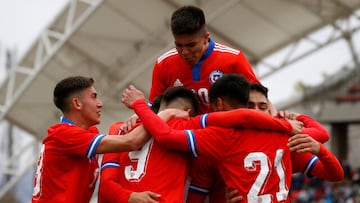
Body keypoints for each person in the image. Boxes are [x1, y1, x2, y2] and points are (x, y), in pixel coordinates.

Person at [121, 74, 297, 203]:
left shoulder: (217, 135)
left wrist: (142, 108)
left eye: (263, 106)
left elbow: (163, 137)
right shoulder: (283, 134)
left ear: (218, 103)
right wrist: (290, 123)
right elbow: (322, 140)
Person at [31, 76, 182, 203]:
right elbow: (132, 142)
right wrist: (161, 115)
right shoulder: (64, 134)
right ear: (77, 103)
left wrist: (141, 117)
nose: (100, 103)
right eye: (94, 97)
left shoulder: (86, 133)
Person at [123, 5, 264, 131]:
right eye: (179, 45)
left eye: (191, 45)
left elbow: (258, 99)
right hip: (184, 141)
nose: (184, 52)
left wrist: (279, 116)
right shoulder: (164, 64)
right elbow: (155, 106)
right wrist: (139, 113)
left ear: (205, 38)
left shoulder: (233, 59)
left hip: (225, 136)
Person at [224, 82, 344, 203]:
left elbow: (336, 174)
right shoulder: (225, 140)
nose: (257, 112)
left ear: (270, 111)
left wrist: (320, 150)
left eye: (262, 107)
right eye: (250, 106)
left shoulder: (285, 139)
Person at [98, 86, 201, 203]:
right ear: (188, 112)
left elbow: (106, 186)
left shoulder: (118, 129)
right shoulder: (187, 128)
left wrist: (130, 197)